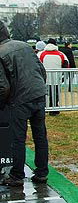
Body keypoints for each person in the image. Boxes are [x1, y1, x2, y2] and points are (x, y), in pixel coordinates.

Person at [0, 21, 49, 188]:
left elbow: (3, 87)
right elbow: (41, 71)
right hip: (38, 93)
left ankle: (17, 175)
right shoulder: (25, 46)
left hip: (19, 99)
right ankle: (42, 172)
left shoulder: (0, 53)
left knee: (18, 139)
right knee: (40, 136)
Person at [39, 39, 68, 115]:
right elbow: (66, 65)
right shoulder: (61, 54)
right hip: (56, 78)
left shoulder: (41, 54)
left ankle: (43, 109)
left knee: (43, 94)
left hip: (44, 79)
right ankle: (54, 109)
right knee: (55, 94)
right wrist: (62, 76)